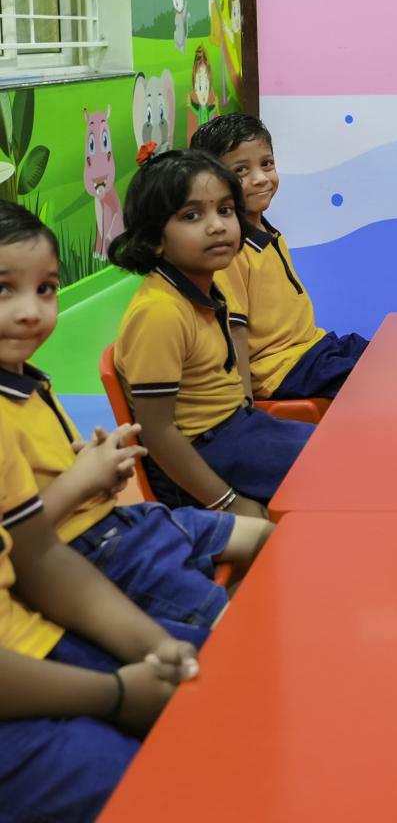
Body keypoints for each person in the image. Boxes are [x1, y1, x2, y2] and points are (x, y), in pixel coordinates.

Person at [0, 200, 270, 641]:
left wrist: (98, 463)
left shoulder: (28, 380)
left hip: (125, 521)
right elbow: (18, 540)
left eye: (45, 288)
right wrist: (83, 479)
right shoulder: (159, 311)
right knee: (235, 634)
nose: (31, 310)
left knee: (267, 539)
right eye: (4, 290)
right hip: (89, 550)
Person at [0, 412, 199, 822]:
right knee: (149, 789)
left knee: (219, 678)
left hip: (39, 640)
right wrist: (116, 695)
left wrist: (156, 645)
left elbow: (38, 554)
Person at [109, 150, 314, 512]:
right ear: (155, 239)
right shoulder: (159, 312)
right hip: (207, 452)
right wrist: (228, 501)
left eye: (225, 210)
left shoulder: (206, 288)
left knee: (343, 449)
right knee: (339, 470)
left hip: (237, 427)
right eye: (192, 215)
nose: (217, 225)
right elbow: (156, 432)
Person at [191, 114, 368, 401]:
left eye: (266, 164)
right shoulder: (227, 252)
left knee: (384, 356)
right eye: (241, 170)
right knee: (373, 384)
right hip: (282, 369)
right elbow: (233, 330)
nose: (261, 178)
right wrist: (244, 405)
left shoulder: (265, 231)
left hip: (311, 348)